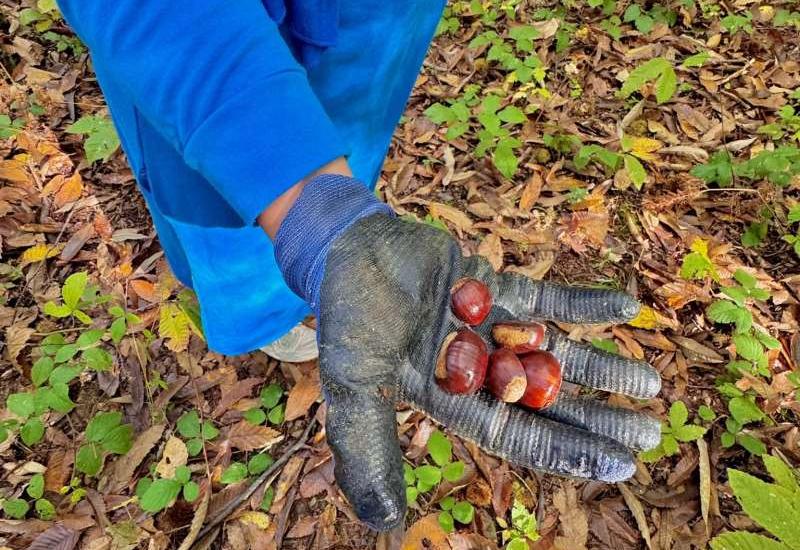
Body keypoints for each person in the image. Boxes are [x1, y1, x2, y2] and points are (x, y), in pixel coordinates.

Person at [57, 1, 662, 531]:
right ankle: (279, 312)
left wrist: (340, 207)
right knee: (240, 231)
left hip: (371, 30)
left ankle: (316, 272)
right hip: (212, 65)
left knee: (350, 155)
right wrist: (318, 218)